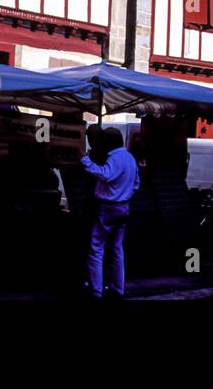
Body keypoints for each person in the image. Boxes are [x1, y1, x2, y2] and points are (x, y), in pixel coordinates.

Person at [80, 126, 139, 300]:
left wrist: (85, 160)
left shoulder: (115, 158)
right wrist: (124, 194)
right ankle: (118, 288)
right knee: (117, 249)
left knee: (96, 247)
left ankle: (96, 291)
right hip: (124, 207)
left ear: (109, 143)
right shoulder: (130, 158)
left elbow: (105, 174)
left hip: (109, 207)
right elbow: (136, 184)